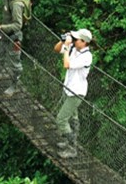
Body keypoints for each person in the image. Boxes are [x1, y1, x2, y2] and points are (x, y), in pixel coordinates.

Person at [53, 28, 93, 159]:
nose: (74, 41)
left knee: (61, 119)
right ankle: (68, 142)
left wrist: (67, 46)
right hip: (68, 88)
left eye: (77, 39)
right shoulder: (74, 49)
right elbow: (56, 49)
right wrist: (63, 41)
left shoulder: (87, 56)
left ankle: (72, 148)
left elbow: (66, 64)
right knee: (72, 118)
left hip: (76, 92)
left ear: (84, 42)